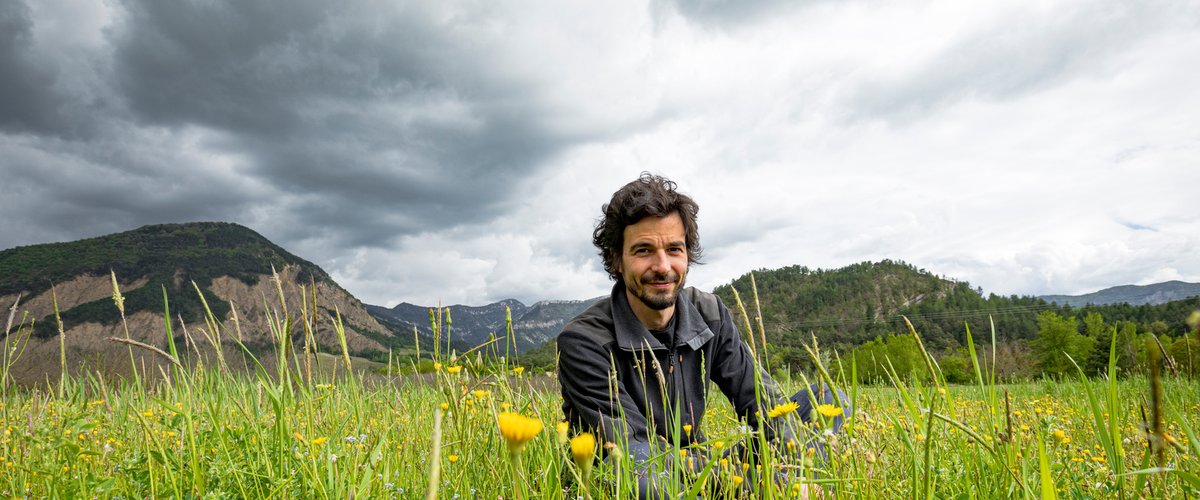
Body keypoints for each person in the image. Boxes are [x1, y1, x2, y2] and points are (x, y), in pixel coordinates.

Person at [556, 172, 847, 498]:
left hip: (698, 466)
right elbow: (630, 455)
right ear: (616, 260)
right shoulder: (583, 342)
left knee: (828, 401)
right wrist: (770, 483)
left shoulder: (708, 312)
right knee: (645, 484)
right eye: (643, 250)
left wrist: (793, 465)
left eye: (674, 249)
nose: (663, 266)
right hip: (631, 476)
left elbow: (764, 404)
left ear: (687, 254)